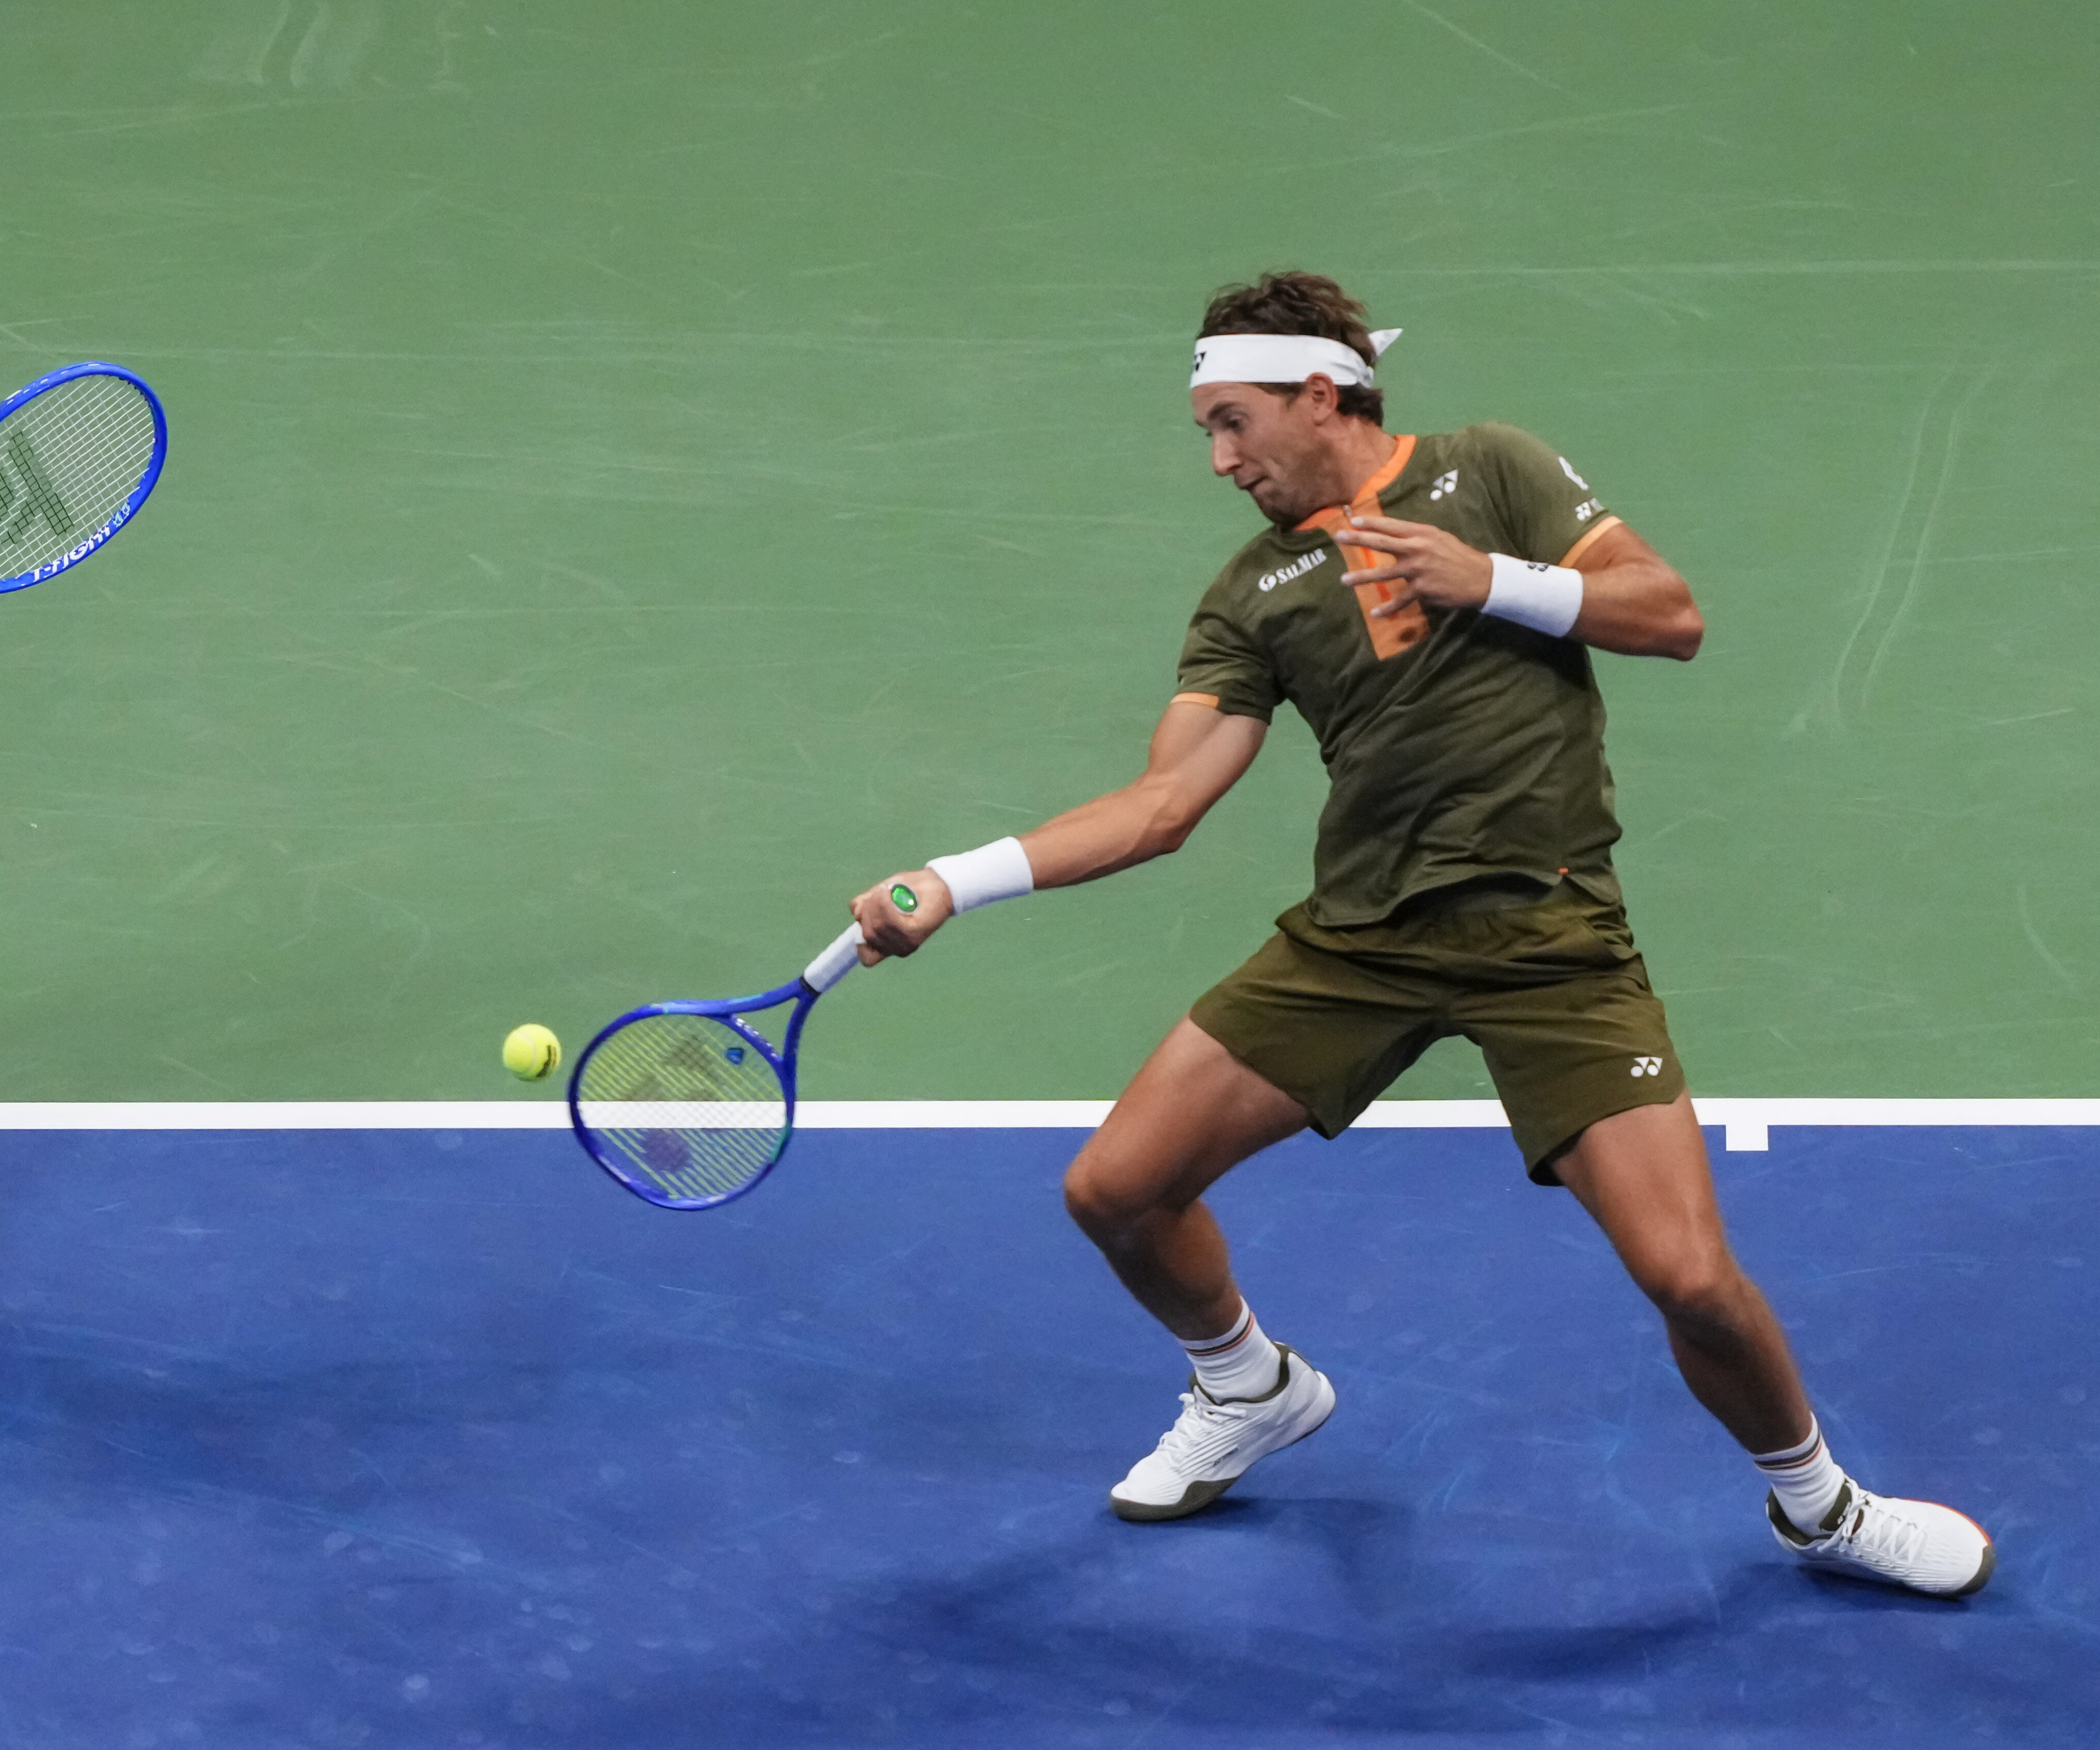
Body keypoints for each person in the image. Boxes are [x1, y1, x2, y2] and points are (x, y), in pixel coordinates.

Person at [846, 270, 1992, 1597]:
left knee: (1688, 1277)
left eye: (1232, 424)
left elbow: (1668, 615)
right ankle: (1247, 1384)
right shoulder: (1254, 590)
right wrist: (952, 878)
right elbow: (1161, 805)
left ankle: (1822, 1507)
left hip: (1549, 939)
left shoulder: (1486, 471)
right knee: (1114, 1190)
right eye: (1206, 434)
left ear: (1317, 394)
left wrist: (1494, 580)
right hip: (1360, 944)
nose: (1218, 460)